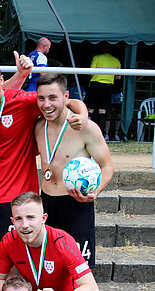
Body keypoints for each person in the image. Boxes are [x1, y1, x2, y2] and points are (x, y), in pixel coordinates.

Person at [0, 58, 88, 291]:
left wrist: (82, 115)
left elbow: (66, 100)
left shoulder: (24, 101)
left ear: (2, 81)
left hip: (15, 198)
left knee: (10, 261)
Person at [34, 73, 114, 268]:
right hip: (46, 203)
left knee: (79, 269)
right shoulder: (38, 126)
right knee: (48, 266)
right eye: (41, 98)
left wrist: (94, 193)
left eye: (53, 97)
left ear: (66, 96)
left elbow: (107, 166)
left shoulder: (85, 128)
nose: (46, 104)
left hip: (76, 204)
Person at [86, 44, 121, 133]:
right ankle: (101, 132)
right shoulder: (116, 60)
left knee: (91, 108)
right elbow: (118, 77)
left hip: (96, 84)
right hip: (108, 86)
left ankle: (88, 130)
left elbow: (91, 73)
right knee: (103, 110)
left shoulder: (96, 57)